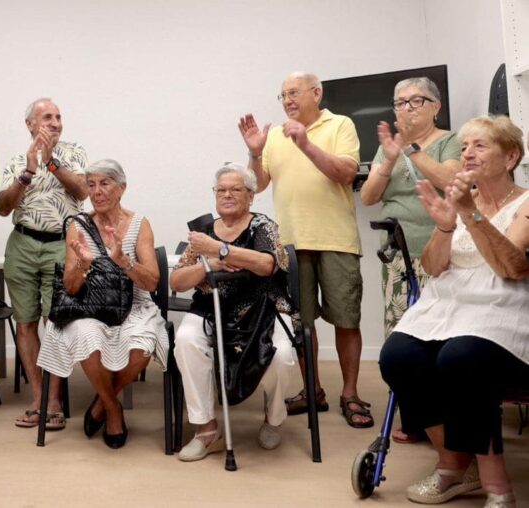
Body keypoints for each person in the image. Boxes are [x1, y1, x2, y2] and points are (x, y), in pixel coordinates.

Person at [380, 116, 529, 508]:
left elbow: (512, 266)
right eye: (464, 147)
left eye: (479, 145)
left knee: (461, 358)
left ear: (511, 156)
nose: (467, 153)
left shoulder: (526, 202)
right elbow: (432, 266)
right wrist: (446, 227)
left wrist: (471, 214)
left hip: (500, 308)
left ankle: (496, 483)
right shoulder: (460, 201)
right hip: (447, 307)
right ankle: (453, 465)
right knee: (397, 355)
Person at [238, 71, 373, 428]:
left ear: (317, 92)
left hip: (336, 239)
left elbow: (346, 173)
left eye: (294, 93)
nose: (288, 101)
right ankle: (312, 390)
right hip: (290, 244)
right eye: (282, 95)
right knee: (301, 323)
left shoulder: (340, 125)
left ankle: (350, 394)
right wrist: (254, 153)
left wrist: (306, 144)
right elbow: (259, 184)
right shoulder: (277, 135)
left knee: (346, 320)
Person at [37, 159, 168, 449]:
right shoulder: (78, 225)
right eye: (92, 184)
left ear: (122, 188)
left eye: (105, 183)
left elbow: (152, 283)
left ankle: (101, 402)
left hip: (134, 304)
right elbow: (71, 287)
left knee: (142, 343)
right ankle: (112, 409)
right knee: (86, 335)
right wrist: (82, 265)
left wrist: (125, 262)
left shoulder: (139, 224)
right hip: (90, 306)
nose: (97, 191)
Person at [170, 163, 296, 461]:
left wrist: (221, 249)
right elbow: (177, 279)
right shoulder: (201, 232)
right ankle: (206, 429)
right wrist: (208, 264)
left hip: (263, 308)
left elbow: (267, 264)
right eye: (221, 190)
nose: (227, 195)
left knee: (280, 355)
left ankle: (274, 418)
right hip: (212, 308)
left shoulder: (263, 226)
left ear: (250, 196)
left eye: (235, 189)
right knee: (186, 340)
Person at [359, 77, 461, 443]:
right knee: (401, 337)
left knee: (441, 338)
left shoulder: (451, 141)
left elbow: (451, 180)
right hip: (398, 259)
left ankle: (451, 422)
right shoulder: (389, 147)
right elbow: (369, 195)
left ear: (436, 106)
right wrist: (388, 160)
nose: (405, 108)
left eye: (415, 101)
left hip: (443, 255)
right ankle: (416, 420)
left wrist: (412, 150)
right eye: (399, 103)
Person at [0, 98, 88, 430]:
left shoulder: (74, 153)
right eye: (47, 117)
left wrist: (51, 162)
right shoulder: (17, 160)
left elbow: (81, 192)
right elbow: (3, 207)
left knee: (57, 322)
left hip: (60, 245)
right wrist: (28, 171)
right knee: (25, 323)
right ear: (31, 125)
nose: (55, 122)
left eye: (59, 116)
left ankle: (54, 402)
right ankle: (37, 398)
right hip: (21, 243)